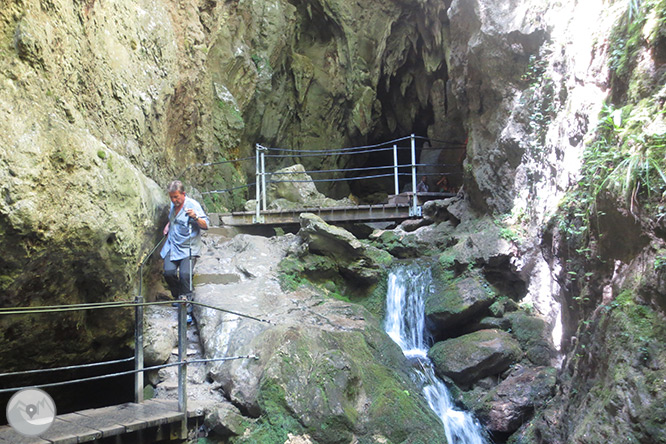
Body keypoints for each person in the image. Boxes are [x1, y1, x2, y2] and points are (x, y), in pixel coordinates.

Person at [160, 180, 209, 309]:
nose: (174, 200)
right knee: (168, 272)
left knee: (185, 275)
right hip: (172, 244)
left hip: (188, 247)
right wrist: (168, 225)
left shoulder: (192, 205)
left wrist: (195, 217)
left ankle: (187, 304)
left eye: (176, 197)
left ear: (183, 194)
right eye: (171, 197)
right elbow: (174, 219)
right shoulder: (173, 205)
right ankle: (178, 297)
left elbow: (206, 225)